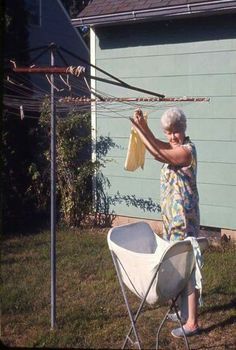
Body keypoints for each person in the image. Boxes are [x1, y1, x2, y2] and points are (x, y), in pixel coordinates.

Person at [131, 107, 200, 338]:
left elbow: (159, 154)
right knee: (179, 265)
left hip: (185, 220)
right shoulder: (172, 146)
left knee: (189, 269)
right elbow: (159, 148)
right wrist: (142, 128)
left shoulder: (187, 152)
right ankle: (182, 312)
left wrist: (141, 131)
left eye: (176, 131)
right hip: (173, 220)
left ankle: (192, 322)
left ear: (184, 129)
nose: (172, 137)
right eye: (168, 132)